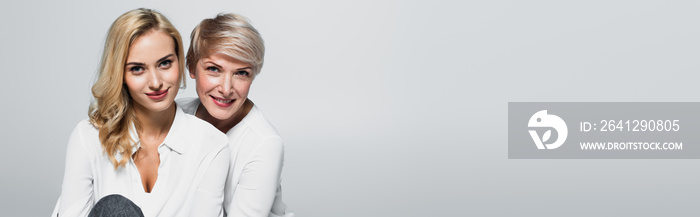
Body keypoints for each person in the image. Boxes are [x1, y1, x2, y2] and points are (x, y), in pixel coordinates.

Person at [53, 8, 230, 217]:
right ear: (120, 75)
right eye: (137, 68)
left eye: (165, 63)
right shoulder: (89, 136)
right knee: (115, 208)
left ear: (180, 62)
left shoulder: (211, 145)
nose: (156, 83)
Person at [177, 13, 293, 217]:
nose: (226, 88)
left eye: (241, 73)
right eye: (214, 69)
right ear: (191, 67)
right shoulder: (178, 115)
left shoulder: (264, 143)